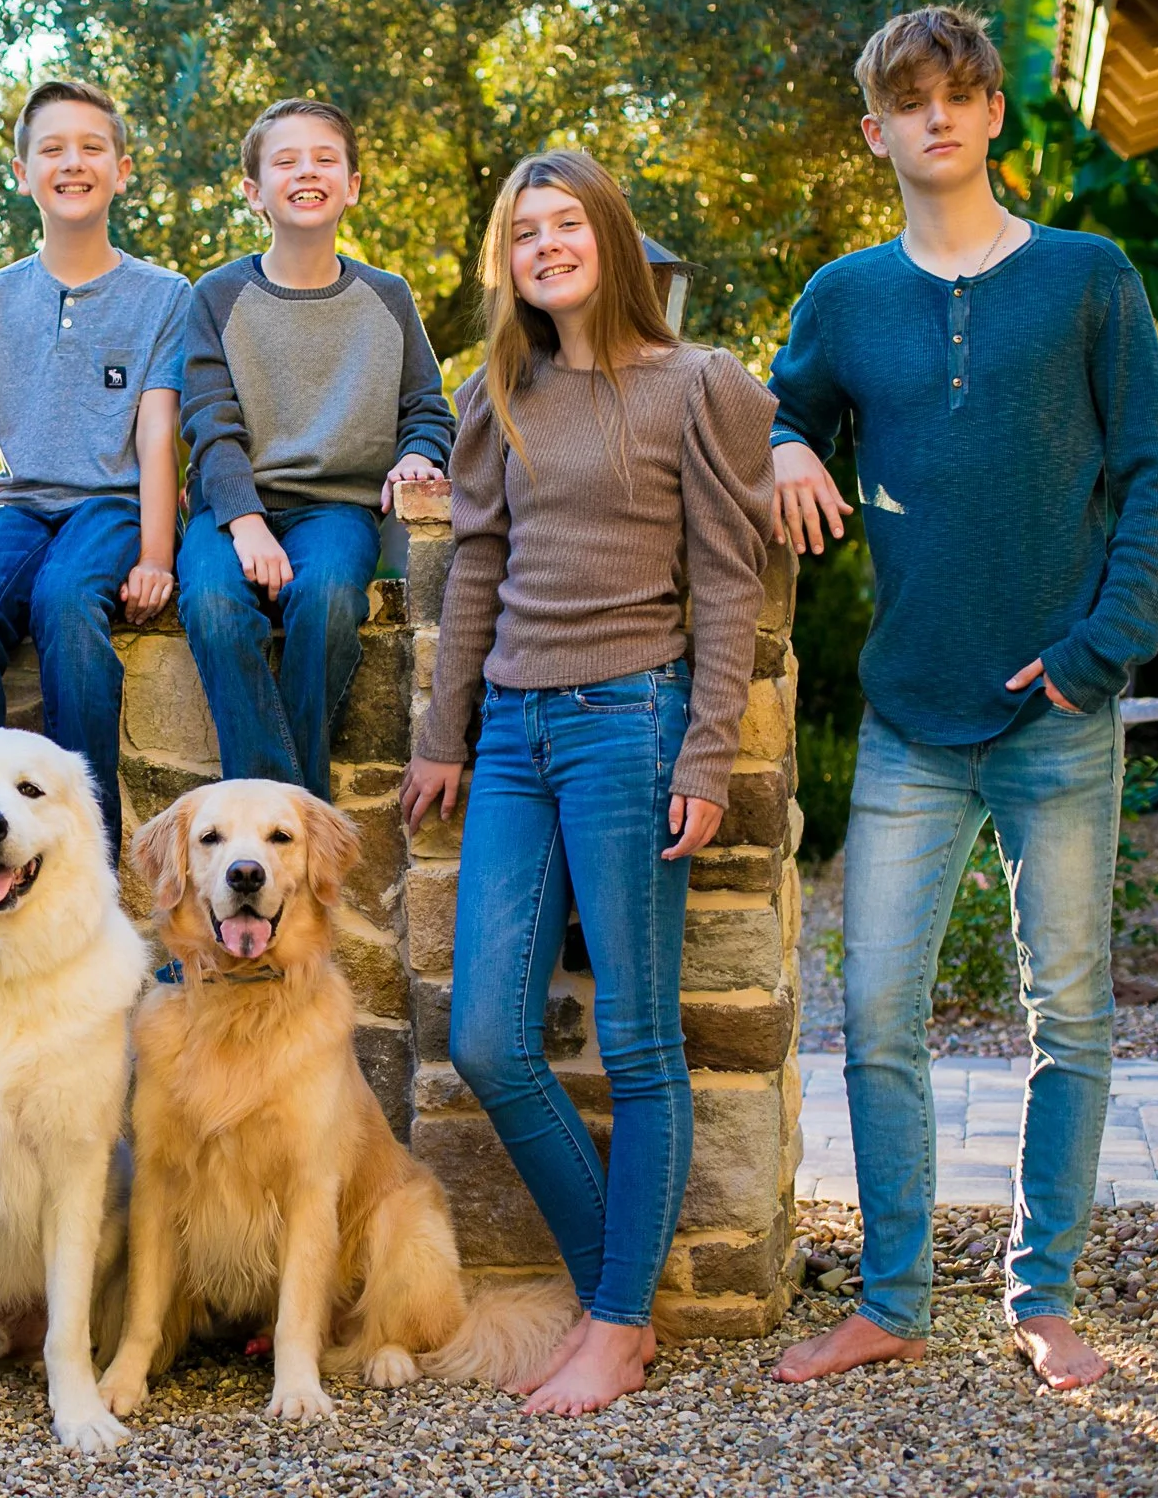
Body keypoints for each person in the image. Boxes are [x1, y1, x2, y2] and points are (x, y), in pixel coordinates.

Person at [764, 7, 1158, 1392]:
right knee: (876, 1007)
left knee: (1067, 1017)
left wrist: (1097, 651)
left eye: (961, 93)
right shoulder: (844, 297)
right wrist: (782, 445)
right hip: (910, 716)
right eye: (909, 99)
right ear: (876, 130)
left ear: (994, 114)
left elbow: (1154, 481)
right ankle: (891, 1298)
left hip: (1058, 713)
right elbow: (788, 409)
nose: (937, 116)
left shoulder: (1087, 278)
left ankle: (1042, 1294)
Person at [402, 148, 775, 1415]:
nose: (546, 246)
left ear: (609, 237)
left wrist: (708, 750)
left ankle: (615, 1325)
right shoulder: (495, 393)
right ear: (507, 263)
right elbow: (473, 577)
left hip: (634, 723)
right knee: (487, 1041)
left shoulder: (698, 386)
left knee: (637, 1039)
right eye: (524, 233)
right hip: (511, 731)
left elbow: (727, 581)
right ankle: (616, 1296)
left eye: (566, 224)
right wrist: (444, 734)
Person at [0, 79, 190, 852]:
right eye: (52, 148)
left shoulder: (164, 295)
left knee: (67, 601)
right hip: (19, 509)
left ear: (121, 170)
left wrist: (158, 556)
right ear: (23, 170)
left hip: (111, 506)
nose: (73, 162)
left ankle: (81, 844)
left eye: (92, 147)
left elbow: (158, 434)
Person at [178, 98, 454, 799]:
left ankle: (267, 808)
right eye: (286, 160)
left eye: (325, 159)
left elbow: (427, 407)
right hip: (231, 506)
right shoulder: (218, 295)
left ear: (352, 185)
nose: (308, 172)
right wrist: (246, 525)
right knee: (212, 602)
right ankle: (295, 807)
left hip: (337, 507)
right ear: (254, 192)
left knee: (330, 596)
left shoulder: (387, 298)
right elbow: (210, 424)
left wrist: (419, 452)